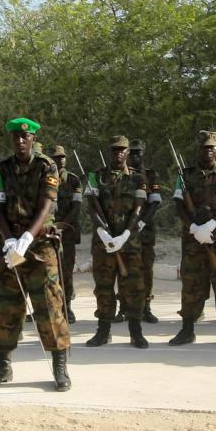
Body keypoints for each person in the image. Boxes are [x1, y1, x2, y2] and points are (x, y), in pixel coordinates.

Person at [0, 117, 72, 392]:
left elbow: (46, 205)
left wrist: (27, 238)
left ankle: (59, 366)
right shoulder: (1, 169)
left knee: (49, 305)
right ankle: (2, 365)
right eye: (16, 137)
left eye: (25, 137)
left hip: (40, 245)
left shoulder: (47, 166)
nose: (20, 141)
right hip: (12, 246)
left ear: (32, 138)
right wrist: (10, 240)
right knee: (7, 305)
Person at [168, 130, 216, 348]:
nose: (208, 151)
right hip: (193, 239)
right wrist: (193, 227)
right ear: (198, 150)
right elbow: (179, 205)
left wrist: (212, 225)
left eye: (211, 147)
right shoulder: (185, 175)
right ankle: (187, 330)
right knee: (191, 284)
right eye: (204, 148)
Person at [83, 135, 148, 348]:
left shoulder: (138, 178)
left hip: (129, 243)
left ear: (127, 152)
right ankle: (103, 331)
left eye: (122, 150)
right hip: (103, 243)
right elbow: (92, 207)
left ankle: (136, 332)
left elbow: (138, 208)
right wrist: (103, 232)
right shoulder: (96, 176)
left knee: (134, 287)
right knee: (104, 287)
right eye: (114, 149)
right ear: (109, 151)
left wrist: (126, 234)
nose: (118, 153)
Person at [126, 139, 162, 323]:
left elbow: (154, 202)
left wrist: (142, 223)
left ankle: (146, 307)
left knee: (146, 269)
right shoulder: (123, 174)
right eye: (132, 153)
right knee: (125, 270)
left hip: (145, 231)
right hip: (124, 230)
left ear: (142, 154)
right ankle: (124, 308)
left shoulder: (151, 175)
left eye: (138, 153)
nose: (135, 156)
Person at [47, 146, 83, 324]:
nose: (60, 160)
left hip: (66, 233)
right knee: (46, 271)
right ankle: (47, 308)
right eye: (56, 157)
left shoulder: (74, 181)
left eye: (62, 157)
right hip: (47, 231)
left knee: (66, 271)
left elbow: (76, 207)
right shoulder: (44, 178)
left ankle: (67, 306)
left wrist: (61, 226)